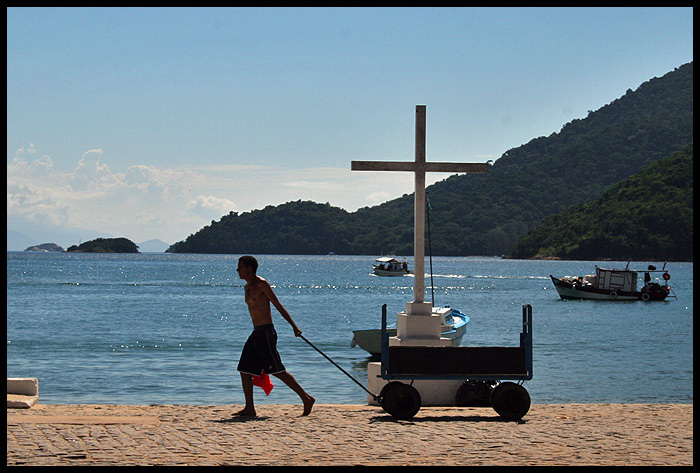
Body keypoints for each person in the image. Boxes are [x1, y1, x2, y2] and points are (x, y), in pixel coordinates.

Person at [233, 255, 315, 417]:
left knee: (277, 370)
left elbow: (278, 305)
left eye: (240, 267)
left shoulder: (261, 284)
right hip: (256, 332)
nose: (237, 270)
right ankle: (250, 407)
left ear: (249, 269)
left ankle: (306, 398)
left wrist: (294, 326)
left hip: (266, 332)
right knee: (244, 369)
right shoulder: (247, 287)